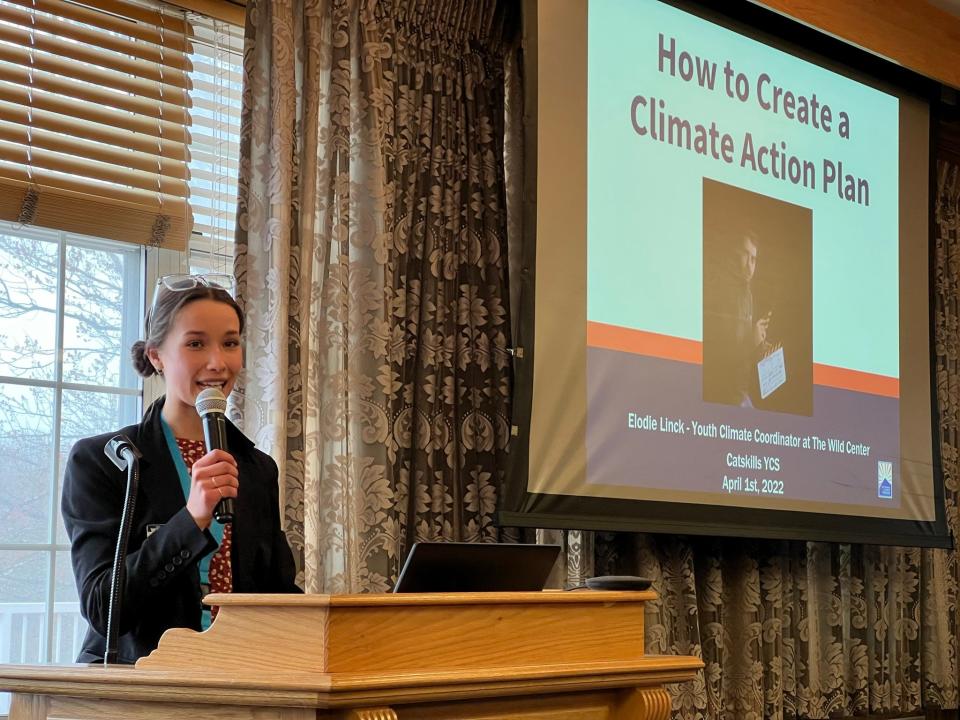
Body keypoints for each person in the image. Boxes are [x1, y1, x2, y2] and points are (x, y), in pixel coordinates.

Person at [62, 274, 300, 664]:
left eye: (230, 343)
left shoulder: (258, 468)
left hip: (241, 676)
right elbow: (105, 609)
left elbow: (278, 593)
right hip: (144, 683)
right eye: (195, 344)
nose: (217, 363)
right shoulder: (104, 461)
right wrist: (192, 519)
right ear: (156, 355)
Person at [704, 231, 770, 407]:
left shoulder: (747, 293)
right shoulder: (719, 291)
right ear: (733, 253)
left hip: (740, 392)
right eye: (745, 255)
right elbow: (719, 357)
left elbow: (741, 347)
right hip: (724, 396)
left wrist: (759, 344)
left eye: (754, 259)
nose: (749, 265)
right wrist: (751, 341)